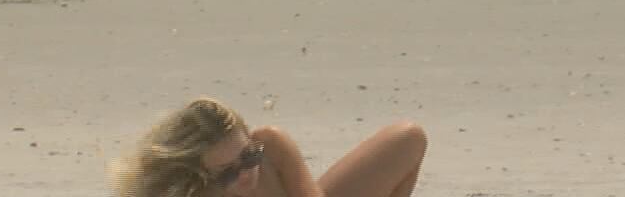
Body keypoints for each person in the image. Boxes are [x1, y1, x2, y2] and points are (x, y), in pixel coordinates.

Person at [111, 98, 427, 197]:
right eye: (227, 174)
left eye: (248, 156)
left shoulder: (271, 146)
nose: (246, 173)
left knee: (406, 139)